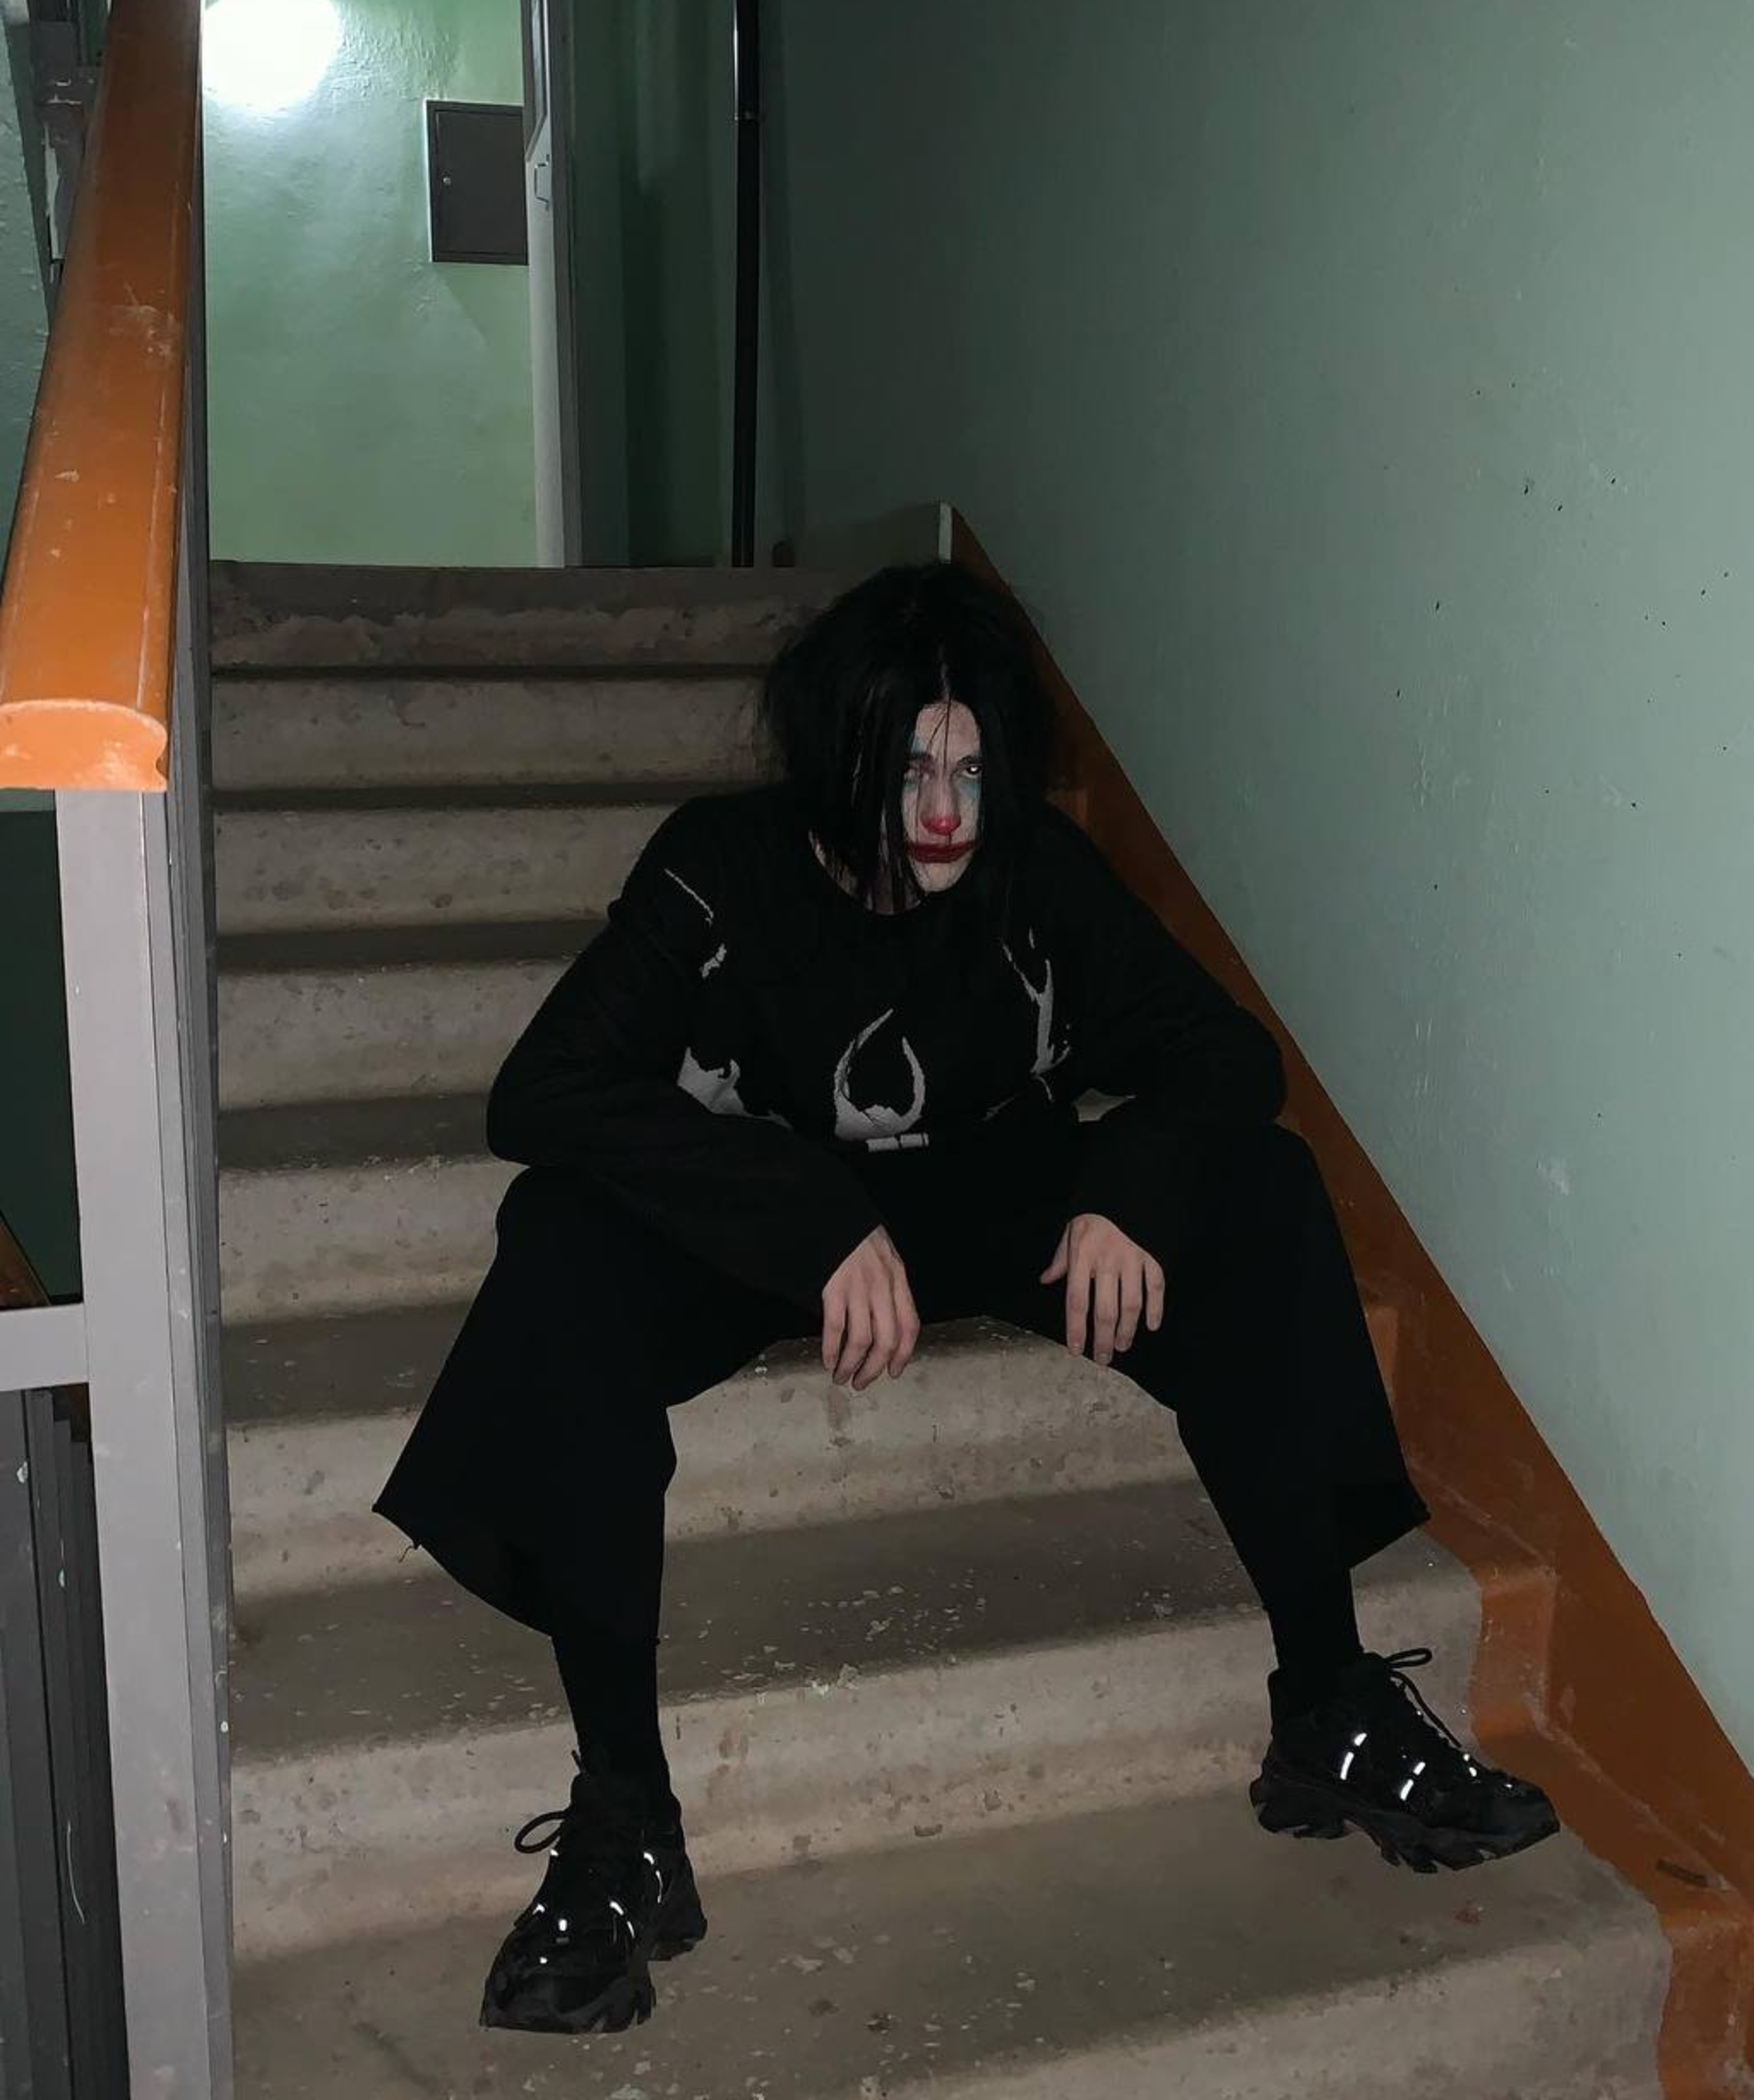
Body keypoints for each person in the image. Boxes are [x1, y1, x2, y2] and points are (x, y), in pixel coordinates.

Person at [372, 560, 1557, 2040]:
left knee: (1255, 1185)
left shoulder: (1033, 872)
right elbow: (543, 1092)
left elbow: (1225, 1056)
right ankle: (627, 1822)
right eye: (909, 769)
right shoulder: (721, 865)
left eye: (974, 770)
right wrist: (805, 1209)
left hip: (1002, 1207)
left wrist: (1128, 1181)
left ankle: (1328, 1701)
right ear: (840, 756)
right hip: (776, 1233)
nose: (945, 811)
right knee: (558, 1238)